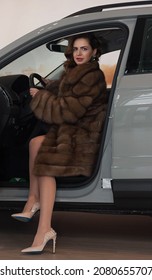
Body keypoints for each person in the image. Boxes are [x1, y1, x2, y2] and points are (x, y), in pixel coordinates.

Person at [11, 32, 107, 254]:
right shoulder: (76, 72)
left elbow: (69, 109)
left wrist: (41, 97)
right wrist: (49, 85)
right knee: (35, 141)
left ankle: (44, 229)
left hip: (82, 137)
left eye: (84, 49)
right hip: (73, 130)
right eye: (75, 49)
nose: (79, 53)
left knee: (45, 156)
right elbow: (66, 91)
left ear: (94, 52)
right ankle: (33, 199)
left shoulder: (92, 76)